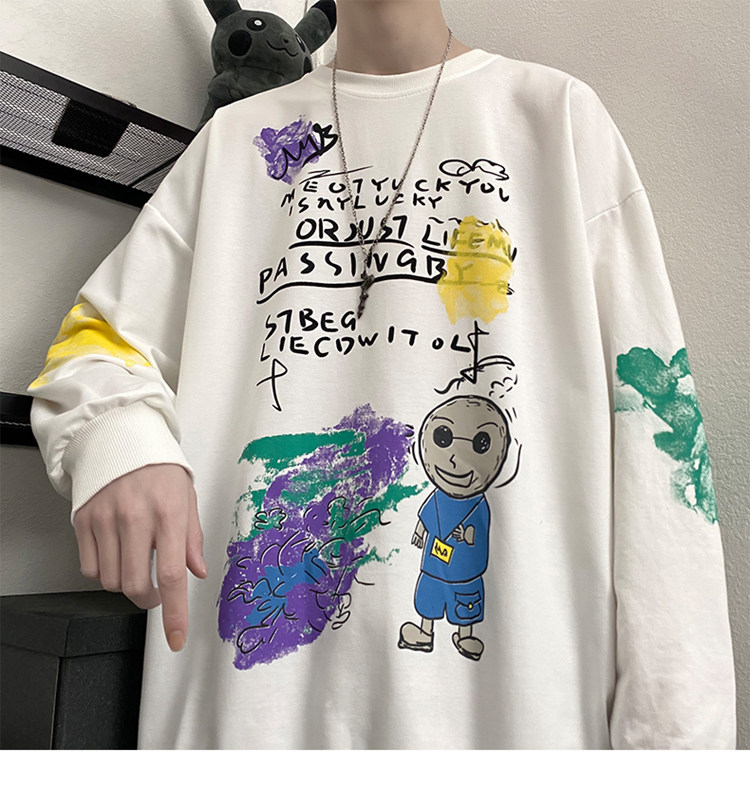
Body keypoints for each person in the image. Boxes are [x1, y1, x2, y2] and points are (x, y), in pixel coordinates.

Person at [28, 0, 736, 749]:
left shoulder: (555, 119)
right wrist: (124, 445)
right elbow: (95, 348)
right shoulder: (236, 142)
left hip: (508, 724)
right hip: (248, 722)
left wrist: (676, 752)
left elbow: (660, 456)